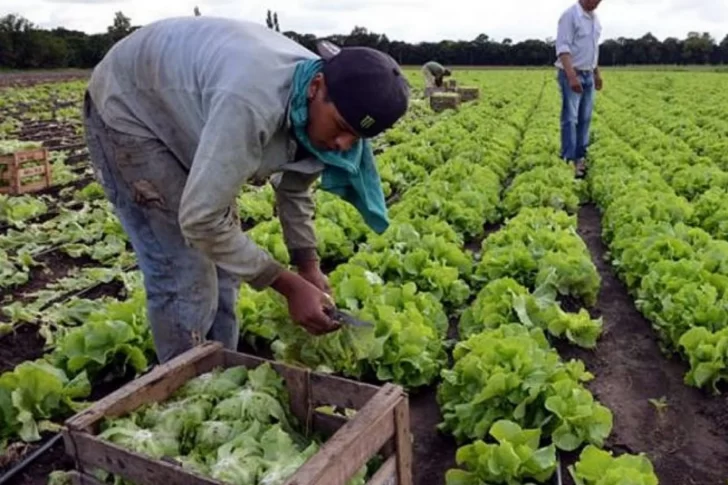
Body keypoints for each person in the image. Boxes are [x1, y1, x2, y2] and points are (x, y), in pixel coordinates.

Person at [82, 16, 410, 364]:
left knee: (225, 267)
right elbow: (200, 221)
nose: (343, 144)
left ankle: (222, 369)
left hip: (190, 105)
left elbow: (295, 187)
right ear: (316, 86)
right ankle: (182, 385)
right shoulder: (252, 101)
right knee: (184, 271)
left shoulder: (318, 109)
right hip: (131, 105)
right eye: (342, 127)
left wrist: (308, 266)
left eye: (356, 138)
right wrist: (287, 285)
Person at [555, 0, 603, 178]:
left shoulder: (595, 19)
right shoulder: (570, 15)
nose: (597, 3)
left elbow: (593, 50)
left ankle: (580, 157)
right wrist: (571, 76)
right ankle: (569, 159)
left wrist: (596, 74)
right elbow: (563, 48)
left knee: (585, 118)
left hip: (588, 73)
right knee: (570, 118)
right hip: (572, 73)